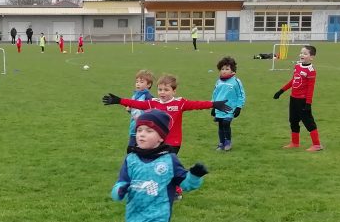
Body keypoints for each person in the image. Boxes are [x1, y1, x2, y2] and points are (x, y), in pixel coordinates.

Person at [103, 75, 231, 153]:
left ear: (174, 91)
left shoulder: (180, 103)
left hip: (173, 142)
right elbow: (137, 104)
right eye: (160, 90)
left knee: (169, 166)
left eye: (166, 90)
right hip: (158, 141)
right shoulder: (154, 102)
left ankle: (176, 189)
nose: (162, 93)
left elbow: (197, 104)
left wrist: (214, 104)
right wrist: (119, 100)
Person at [273, 45, 323, 151]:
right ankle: (295, 143)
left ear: (311, 57)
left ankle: (317, 145)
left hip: (303, 100)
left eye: (305, 53)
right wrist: (281, 91)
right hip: (293, 99)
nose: (302, 55)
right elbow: (293, 81)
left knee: (308, 122)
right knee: (293, 120)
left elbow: (310, 88)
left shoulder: (311, 70)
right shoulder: (297, 66)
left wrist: (308, 103)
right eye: (301, 53)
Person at [211, 57, 246, 151]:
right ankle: (221, 143)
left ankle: (228, 142)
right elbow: (214, 94)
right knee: (221, 124)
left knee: (226, 123)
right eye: (222, 69)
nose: (224, 71)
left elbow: (241, 95)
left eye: (227, 69)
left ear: (232, 70)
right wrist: (213, 106)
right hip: (219, 107)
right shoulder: (218, 82)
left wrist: (239, 107)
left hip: (230, 108)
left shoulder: (236, 81)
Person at [126, 70, 155, 147]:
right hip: (133, 129)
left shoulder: (149, 98)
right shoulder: (135, 96)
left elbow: (151, 114)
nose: (138, 84)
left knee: (142, 152)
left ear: (148, 85)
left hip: (143, 131)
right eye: (137, 82)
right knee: (131, 152)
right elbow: (135, 112)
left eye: (141, 82)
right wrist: (129, 110)